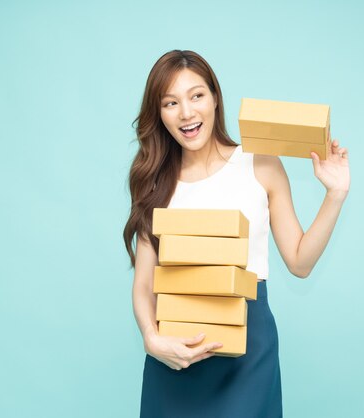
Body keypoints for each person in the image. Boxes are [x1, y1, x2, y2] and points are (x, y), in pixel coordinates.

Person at [123, 50, 350, 417]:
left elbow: (300, 261)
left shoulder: (260, 163)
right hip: (175, 355)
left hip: (248, 352)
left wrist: (335, 195)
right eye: (170, 102)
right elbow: (144, 284)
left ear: (215, 98)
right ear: (160, 113)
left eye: (197, 95)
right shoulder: (154, 182)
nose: (186, 113)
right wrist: (152, 338)